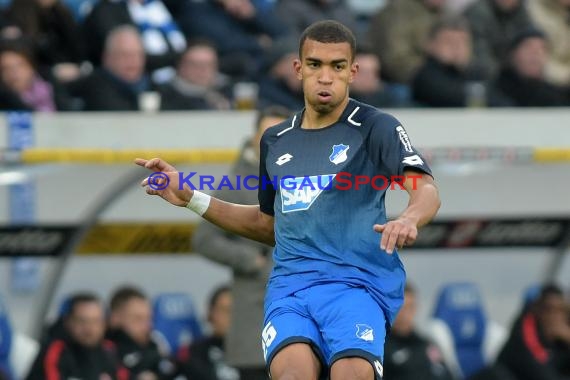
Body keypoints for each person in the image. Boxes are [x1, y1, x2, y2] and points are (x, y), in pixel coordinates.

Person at [136, 20, 440, 380]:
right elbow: (268, 224)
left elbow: (425, 189)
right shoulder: (276, 140)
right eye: (315, 64)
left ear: (352, 72)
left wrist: (409, 218)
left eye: (337, 66)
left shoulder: (377, 127)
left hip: (356, 286)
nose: (325, 76)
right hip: (292, 289)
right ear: (298, 69)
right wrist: (192, 197)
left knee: (351, 374)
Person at [192, 105, 291, 380]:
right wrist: (250, 260)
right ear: (255, 137)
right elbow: (204, 238)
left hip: (301, 306)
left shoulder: (308, 177)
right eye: (267, 134)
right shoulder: (237, 183)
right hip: (255, 313)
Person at [26, 292, 124, 380]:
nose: (89, 329)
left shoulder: (109, 350)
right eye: (82, 321)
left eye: (96, 322)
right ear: (68, 322)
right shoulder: (56, 350)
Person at [496, 283, 570, 380]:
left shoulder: (561, 341)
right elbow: (540, 373)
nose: (554, 316)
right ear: (537, 310)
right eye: (549, 309)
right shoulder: (524, 333)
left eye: (560, 310)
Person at [383, 283, 454, 380]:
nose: (405, 314)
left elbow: (447, 374)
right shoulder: (382, 348)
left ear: (416, 308)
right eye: (401, 308)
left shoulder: (427, 345)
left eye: (410, 307)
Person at [106, 285, 176, 380]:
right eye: (138, 319)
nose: (147, 325)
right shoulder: (106, 350)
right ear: (115, 318)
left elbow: (169, 369)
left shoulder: (155, 344)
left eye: (149, 318)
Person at [178, 285, 240, 380]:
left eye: (235, 311)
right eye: (225, 310)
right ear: (211, 313)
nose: (231, 317)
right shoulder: (194, 353)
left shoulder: (257, 355)